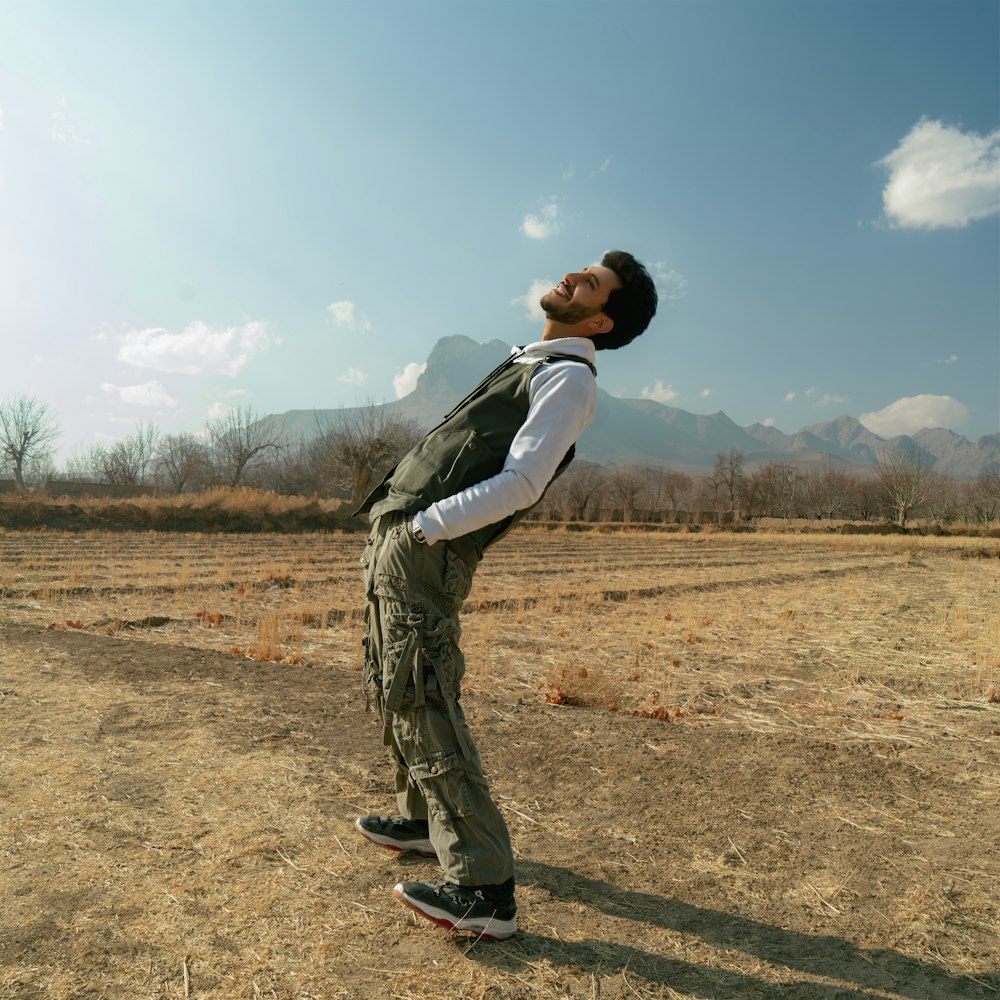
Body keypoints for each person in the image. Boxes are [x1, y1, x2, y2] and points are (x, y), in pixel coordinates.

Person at [353, 250, 658, 940]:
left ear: (602, 318)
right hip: (402, 538)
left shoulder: (570, 381)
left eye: (593, 284)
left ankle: (485, 889)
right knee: (395, 683)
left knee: (424, 691)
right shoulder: (533, 362)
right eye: (583, 269)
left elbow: (522, 481)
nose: (575, 276)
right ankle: (423, 820)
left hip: (426, 548)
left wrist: (427, 528)